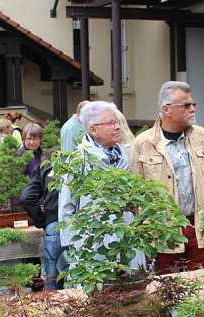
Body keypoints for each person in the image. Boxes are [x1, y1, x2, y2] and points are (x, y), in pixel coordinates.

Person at [131, 81, 204, 274]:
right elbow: (136, 192)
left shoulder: (202, 136)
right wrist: (147, 228)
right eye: (186, 105)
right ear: (166, 109)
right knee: (168, 287)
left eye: (193, 104)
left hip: (200, 226)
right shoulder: (143, 143)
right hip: (165, 232)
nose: (193, 109)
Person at [59, 101, 145, 277]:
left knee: (132, 284)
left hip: (126, 234)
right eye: (110, 123)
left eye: (117, 122)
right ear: (93, 130)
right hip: (94, 237)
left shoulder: (124, 156)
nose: (117, 127)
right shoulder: (78, 160)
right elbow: (66, 206)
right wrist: (71, 243)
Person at [21, 161, 64, 290]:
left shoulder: (48, 166)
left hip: (54, 223)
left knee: (53, 283)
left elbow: (26, 198)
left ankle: (54, 307)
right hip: (81, 224)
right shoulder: (89, 162)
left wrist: (42, 220)